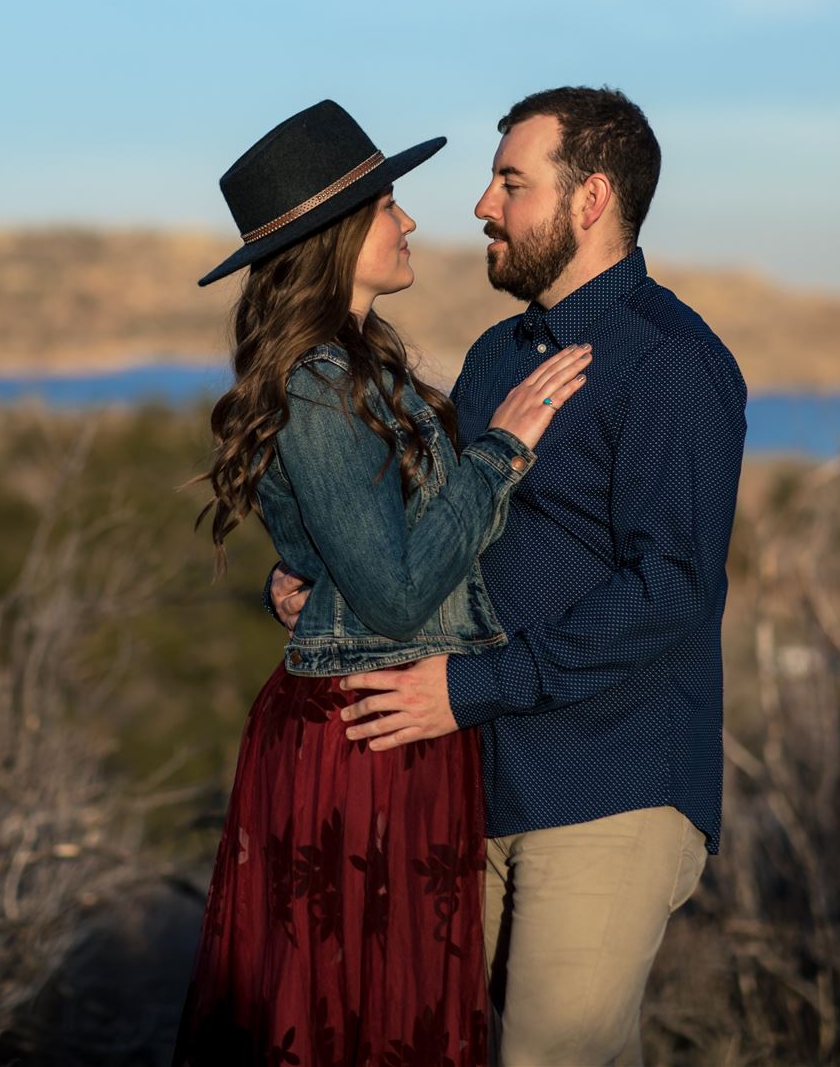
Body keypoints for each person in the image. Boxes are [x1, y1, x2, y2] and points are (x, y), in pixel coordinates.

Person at [271, 86, 747, 1066]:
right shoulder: (494, 358)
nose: (481, 206)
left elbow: (671, 586)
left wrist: (470, 687)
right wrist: (303, 584)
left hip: (609, 782)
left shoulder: (669, 362)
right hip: (473, 781)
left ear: (588, 200)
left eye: (508, 183)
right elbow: (427, 541)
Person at [171, 99, 592, 1067]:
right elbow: (400, 594)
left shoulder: (364, 370)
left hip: (392, 724)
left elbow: (362, 553)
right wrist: (502, 450)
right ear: (331, 238)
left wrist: (305, 580)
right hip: (357, 743)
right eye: (386, 206)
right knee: (350, 1020)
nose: (408, 223)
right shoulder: (320, 380)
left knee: (383, 1012)